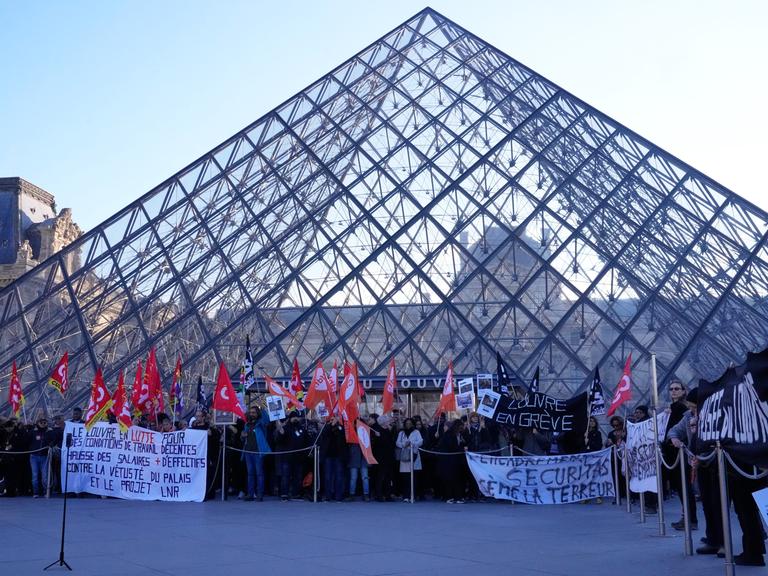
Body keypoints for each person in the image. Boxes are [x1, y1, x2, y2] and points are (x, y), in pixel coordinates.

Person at [666, 387, 699, 532]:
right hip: (687, 457)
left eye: (676, 389)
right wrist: (673, 437)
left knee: (686, 489)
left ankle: (690, 519)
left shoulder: (681, 409)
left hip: (691, 457)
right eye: (671, 389)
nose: (673, 391)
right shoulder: (686, 414)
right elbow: (673, 430)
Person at [241, 405, 271, 501]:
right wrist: (242, 436)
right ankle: (250, 494)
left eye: (254, 412)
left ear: (257, 414)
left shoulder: (261, 424)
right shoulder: (247, 424)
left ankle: (259, 494)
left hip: (258, 452)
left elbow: (267, 420)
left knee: (259, 474)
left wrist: (263, 410)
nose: (251, 414)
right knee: (250, 474)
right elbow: (243, 438)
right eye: (250, 412)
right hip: (248, 452)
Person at [438, 419, 467, 503]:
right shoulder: (449, 434)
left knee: (457, 479)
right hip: (448, 460)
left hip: (455, 460)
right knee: (449, 479)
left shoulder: (459, 435)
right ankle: (449, 497)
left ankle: (457, 497)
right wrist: (462, 448)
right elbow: (451, 447)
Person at [318, 417, 346, 502]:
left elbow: (342, 436)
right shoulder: (326, 427)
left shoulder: (341, 427)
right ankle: (328, 496)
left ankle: (338, 496)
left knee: (339, 477)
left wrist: (337, 426)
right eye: (332, 418)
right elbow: (325, 434)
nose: (334, 419)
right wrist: (331, 425)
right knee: (327, 477)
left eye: (336, 418)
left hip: (338, 455)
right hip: (328, 456)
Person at [26, 416, 56, 498]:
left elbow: (54, 440)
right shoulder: (33, 431)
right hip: (34, 456)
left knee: (45, 476)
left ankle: (45, 491)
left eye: (44, 422)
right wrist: (29, 427)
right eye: (41, 422)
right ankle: (35, 492)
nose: (43, 424)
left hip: (44, 456)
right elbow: (27, 440)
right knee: (34, 476)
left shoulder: (49, 431)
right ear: (37, 423)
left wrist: (51, 442)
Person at [395, 418, 423, 502]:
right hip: (404, 457)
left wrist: (412, 444)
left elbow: (421, 441)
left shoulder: (416, 432)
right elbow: (397, 443)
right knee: (405, 477)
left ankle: (413, 495)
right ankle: (405, 496)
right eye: (406, 423)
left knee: (413, 477)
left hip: (413, 455)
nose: (408, 425)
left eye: (410, 423)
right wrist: (404, 444)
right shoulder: (401, 433)